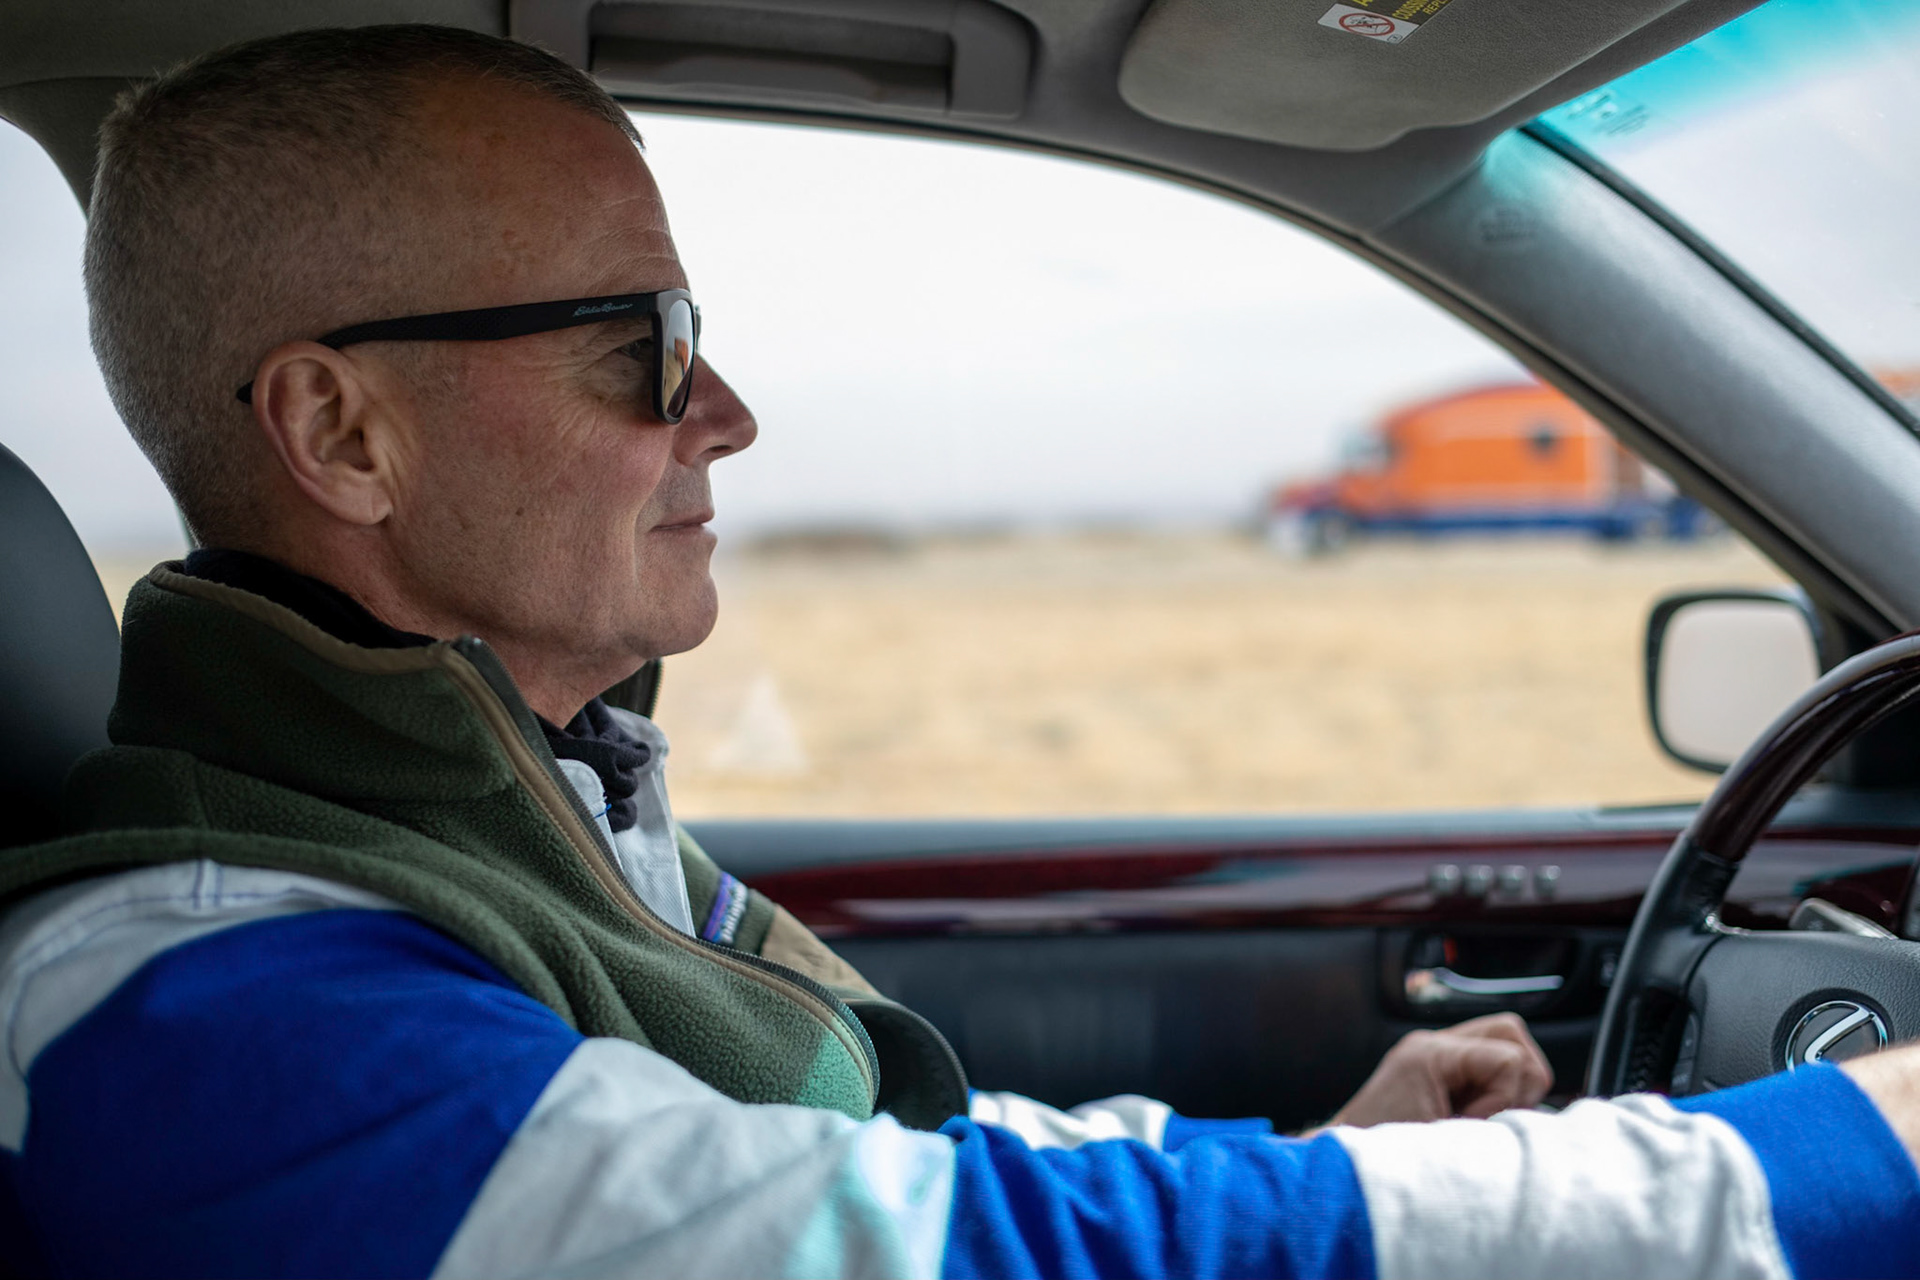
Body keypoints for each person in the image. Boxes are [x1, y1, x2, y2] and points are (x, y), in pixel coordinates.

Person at [0, 23, 1914, 1280]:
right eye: (641, 347)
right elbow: (930, 1249)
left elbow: (830, 1160)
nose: (726, 412)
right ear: (343, 434)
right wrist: (1847, 1151)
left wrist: (1328, 1149)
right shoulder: (207, 1015)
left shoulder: (514, 802)